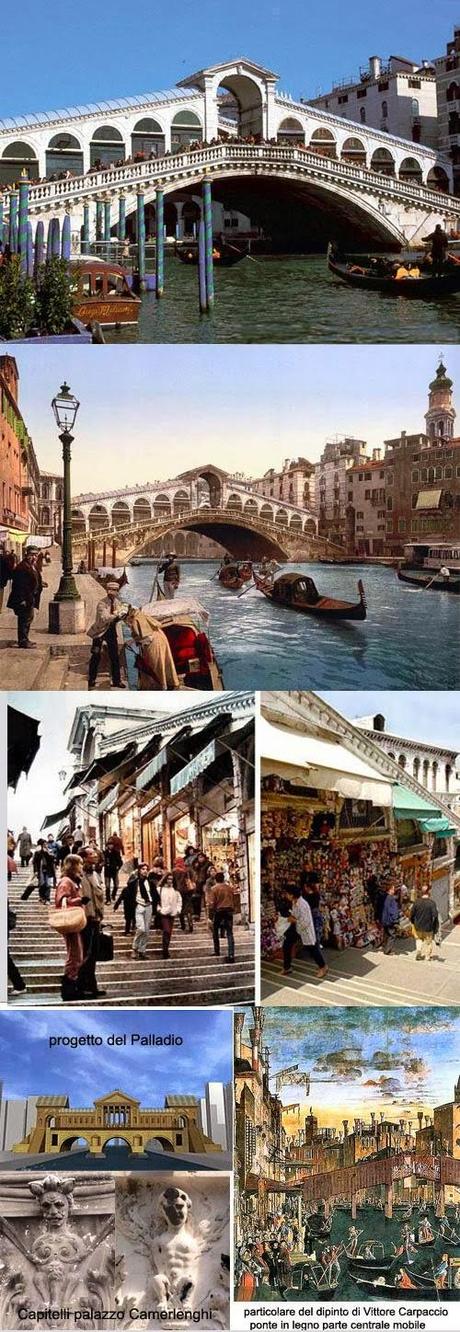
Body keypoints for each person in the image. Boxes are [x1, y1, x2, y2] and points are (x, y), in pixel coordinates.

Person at [54, 854, 85, 1002]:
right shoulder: (66, 882)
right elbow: (62, 901)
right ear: (73, 865)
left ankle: (72, 986)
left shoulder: (72, 881)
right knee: (74, 955)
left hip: (74, 922)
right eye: (79, 864)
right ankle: (68, 988)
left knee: (76, 954)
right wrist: (79, 900)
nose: (81, 866)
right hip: (70, 921)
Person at [87, 581, 129, 689]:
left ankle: (116, 680)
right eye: (111, 591)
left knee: (114, 656)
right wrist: (116, 615)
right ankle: (92, 679)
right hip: (99, 632)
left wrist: (123, 614)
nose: (113, 593)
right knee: (96, 655)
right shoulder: (101, 603)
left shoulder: (117, 602)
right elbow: (104, 618)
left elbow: (121, 614)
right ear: (107, 591)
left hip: (111, 631)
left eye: (115, 591)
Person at [78, 847, 106, 999]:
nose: (95, 855)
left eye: (95, 853)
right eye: (91, 854)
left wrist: (100, 916)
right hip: (84, 919)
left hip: (95, 919)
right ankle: (81, 985)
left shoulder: (95, 874)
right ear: (84, 858)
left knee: (93, 954)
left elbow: (98, 896)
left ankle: (92, 985)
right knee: (85, 954)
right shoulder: (79, 875)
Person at [282, 886, 328, 978]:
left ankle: (323, 966)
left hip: (304, 928)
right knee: (287, 944)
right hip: (296, 927)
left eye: (287, 894)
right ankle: (287, 967)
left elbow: (305, 921)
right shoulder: (295, 902)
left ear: (292, 895)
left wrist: (294, 920)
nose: (286, 896)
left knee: (312, 947)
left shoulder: (303, 904)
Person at [7, 548, 39, 648]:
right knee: (24, 619)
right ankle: (23, 641)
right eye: (32, 555)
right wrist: (22, 600)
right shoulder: (22, 567)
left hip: (30, 598)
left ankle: (26, 638)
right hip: (24, 599)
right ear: (27, 555)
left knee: (29, 618)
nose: (34, 557)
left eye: (36, 555)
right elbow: (18, 585)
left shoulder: (31, 566)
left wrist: (40, 584)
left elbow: (33, 579)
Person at [208, 871, 236, 964]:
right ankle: (231, 954)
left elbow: (211, 904)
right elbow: (233, 899)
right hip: (229, 911)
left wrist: (210, 916)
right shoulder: (229, 888)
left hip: (219, 911)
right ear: (223, 879)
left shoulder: (214, 889)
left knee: (215, 931)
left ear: (215, 879)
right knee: (229, 933)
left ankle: (217, 951)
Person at [410, 885, 439, 961]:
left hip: (418, 926)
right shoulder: (432, 903)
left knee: (418, 939)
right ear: (428, 892)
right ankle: (427, 957)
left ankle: (419, 951)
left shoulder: (417, 902)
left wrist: (412, 921)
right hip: (428, 927)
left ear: (422, 892)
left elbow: (412, 914)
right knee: (428, 942)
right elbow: (435, 915)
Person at [158, 871, 182, 959]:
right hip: (163, 913)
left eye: (171, 879)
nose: (169, 881)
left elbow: (179, 901)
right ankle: (165, 950)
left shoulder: (175, 890)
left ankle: (166, 948)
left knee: (169, 932)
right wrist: (159, 910)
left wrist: (178, 910)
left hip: (172, 913)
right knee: (166, 931)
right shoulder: (160, 889)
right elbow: (156, 900)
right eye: (168, 879)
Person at [131, 864, 153, 959]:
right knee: (141, 928)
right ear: (139, 870)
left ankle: (142, 950)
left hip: (148, 905)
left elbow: (153, 893)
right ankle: (135, 947)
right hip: (139, 905)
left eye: (146, 869)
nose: (145, 871)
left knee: (147, 930)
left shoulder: (149, 882)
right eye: (143, 869)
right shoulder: (135, 882)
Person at [30, 838, 56, 904]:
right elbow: (35, 862)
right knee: (42, 884)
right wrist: (35, 871)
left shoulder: (49, 852)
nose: (46, 846)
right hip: (40, 870)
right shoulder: (37, 853)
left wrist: (47, 853)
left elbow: (52, 859)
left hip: (48, 870)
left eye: (46, 844)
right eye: (44, 844)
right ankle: (42, 897)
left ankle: (47, 899)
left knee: (47, 884)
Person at [103, 834, 124, 903]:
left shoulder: (116, 852)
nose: (110, 846)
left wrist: (118, 867)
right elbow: (103, 860)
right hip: (107, 871)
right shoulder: (105, 853)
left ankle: (113, 895)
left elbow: (120, 862)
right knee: (107, 886)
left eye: (111, 844)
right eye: (109, 845)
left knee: (116, 885)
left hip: (114, 870)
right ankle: (108, 899)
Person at [381, 885, 400, 954]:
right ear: (390, 890)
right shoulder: (391, 899)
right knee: (392, 935)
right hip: (390, 920)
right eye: (393, 889)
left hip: (384, 919)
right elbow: (393, 911)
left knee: (386, 933)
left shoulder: (384, 897)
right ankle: (387, 950)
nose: (394, 891)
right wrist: (396, 920)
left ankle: (384, 947)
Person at [0, 547, 15, 612]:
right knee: (0, 594)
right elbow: (8, 569)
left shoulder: (5, 559)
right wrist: (10, 576)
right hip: (1, 581)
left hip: (1, 580)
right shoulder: (4, 559)